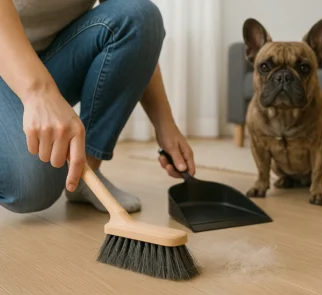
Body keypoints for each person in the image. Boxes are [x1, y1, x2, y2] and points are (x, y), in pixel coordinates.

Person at [0, 0, 195, 214]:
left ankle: (87, 174)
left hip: (54, 59)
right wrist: (38, 92)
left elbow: (136, 26)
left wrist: (164, 123)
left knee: (141, 15)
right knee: (31, 188)